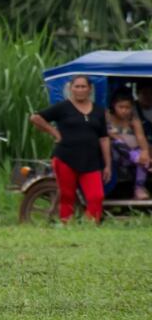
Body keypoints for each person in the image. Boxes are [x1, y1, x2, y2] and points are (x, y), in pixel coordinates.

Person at [29, 75, 110, 223]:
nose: (80, 90)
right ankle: (66, 224)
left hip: (91, 160)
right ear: (71, 88)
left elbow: (104, 138)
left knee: (96, 196)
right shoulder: (63, 107)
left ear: (89, 89)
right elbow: (35, 118)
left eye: (83, 86)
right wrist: (54, 132)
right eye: (77, 86)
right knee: (67, 195)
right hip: (65, 158)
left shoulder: (98, 111)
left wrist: (108, 165)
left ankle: (90, 225)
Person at [106, 90, 149, 200]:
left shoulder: (133, 120)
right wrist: (114, 136)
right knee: (117, 143)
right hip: (113, 154)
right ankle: (136, 157)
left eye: (127, 107)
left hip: (131, 153)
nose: (124, 110)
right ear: (114, 105)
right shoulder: (107, 116)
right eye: (121, 107)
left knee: (142, 156)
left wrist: (145, 152)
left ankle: (139, 188)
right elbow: (103, 132)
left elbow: (141, 137)